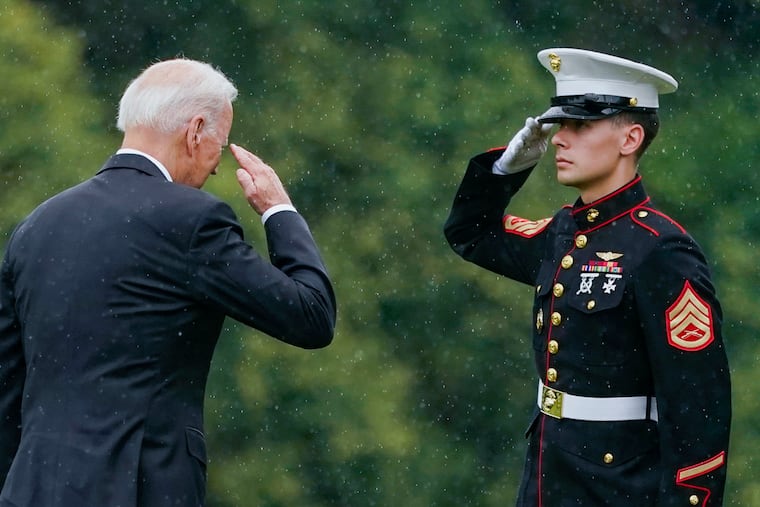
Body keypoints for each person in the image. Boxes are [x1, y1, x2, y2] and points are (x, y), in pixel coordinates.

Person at [0, 58, 336, 506]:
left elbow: (7, 387)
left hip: (31, 488)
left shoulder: (36, 226)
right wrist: (279, 211)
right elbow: (311, 315)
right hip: (138, 488)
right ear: (195, 131)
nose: (216, 167)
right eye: (221, 142)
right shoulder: (191, 220)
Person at [444, 48, 731, 506]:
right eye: (561, 125)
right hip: (548, 475)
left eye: (580, 126)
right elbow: (469, 234)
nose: (560, 139)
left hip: (621, 486)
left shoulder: (662, 250)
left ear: (630, 138)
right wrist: (506, 169)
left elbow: (698, 410)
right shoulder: (562, 234)